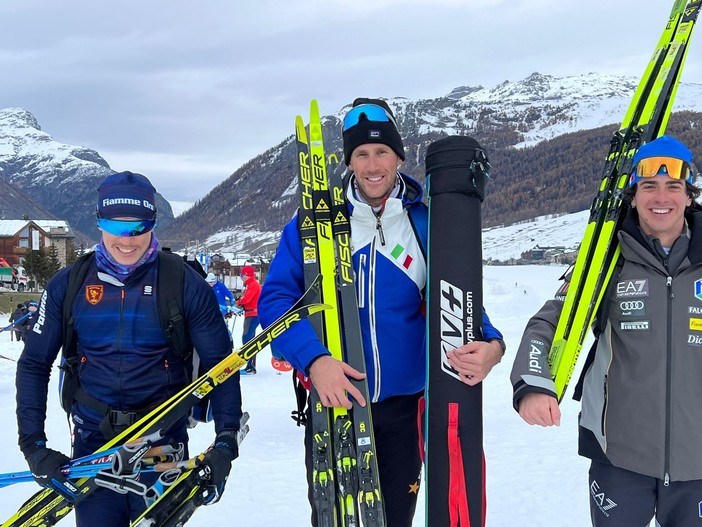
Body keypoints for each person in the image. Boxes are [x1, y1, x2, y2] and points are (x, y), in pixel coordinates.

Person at [258, 98, 505, 526]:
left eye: (382, 152)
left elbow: (461, 297)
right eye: (361, 154)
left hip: (405, 410)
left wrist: (493, 346)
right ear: (349, 162)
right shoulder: (313, 224)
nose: (373, 165)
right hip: (334, 401)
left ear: (398, 156)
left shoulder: (425, 221)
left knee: (394, 518)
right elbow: (276, 301)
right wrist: (314, 362)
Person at [15, 171, 243, 527]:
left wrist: (226, 440)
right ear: (98, 223)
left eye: (138, 226)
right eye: (114, 225)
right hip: (94, 447)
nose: (127, 239)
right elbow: (34, 364)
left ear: (152, 223)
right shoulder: (69, 284)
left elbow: (221, 364)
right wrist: (33, 445)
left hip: (163, 444)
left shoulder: (183, 283)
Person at [510, 135, 702, 526]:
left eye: (673, 187)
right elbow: (547, 323)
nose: (660, 196)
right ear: (632, 196)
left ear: (689, 195)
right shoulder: (606, 260)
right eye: (648, 186)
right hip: (618, 456)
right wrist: (532, 383)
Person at [235, 264, 261, 374]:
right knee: (250, 339)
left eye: (242, 275)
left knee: (247, 339)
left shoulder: (253, 285)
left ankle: (250, 366)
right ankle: (251, 365)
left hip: (252, 315)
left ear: (247, 275)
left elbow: (246, 299)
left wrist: (238, 302)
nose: (241, 277)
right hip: (251, 314)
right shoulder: (251, 285)